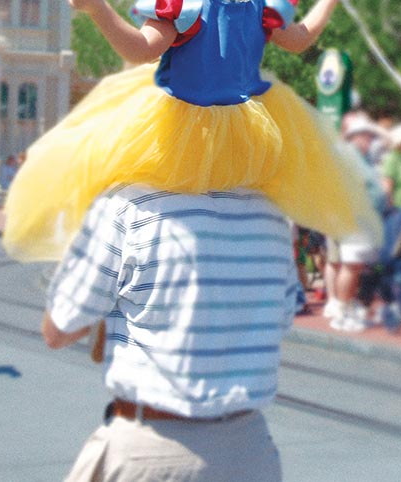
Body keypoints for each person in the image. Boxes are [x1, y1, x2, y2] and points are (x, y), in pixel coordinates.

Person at [4, 0, 379, 260]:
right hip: (247, 129)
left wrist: (98, 9)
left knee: (118, 183)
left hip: (182, 128)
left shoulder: (183, 2)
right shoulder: (260, 1)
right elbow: (301, 38)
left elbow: (139, 50)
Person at [44, 183, 296, 482]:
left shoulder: (128, 205)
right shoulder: (271, 214)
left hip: (154, 451)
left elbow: (58, 329)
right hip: (249, 451)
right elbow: (281, 317)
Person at [325, 113, 388, 332]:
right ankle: (340, 312)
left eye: (371, 136)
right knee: (351, 265)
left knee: (356, 266)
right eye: (366, 135)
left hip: (364, 219)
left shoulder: (362, 156)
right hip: (354, 218)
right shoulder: (347, 155)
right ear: (355, 136)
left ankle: (346, 307)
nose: (370, 140)